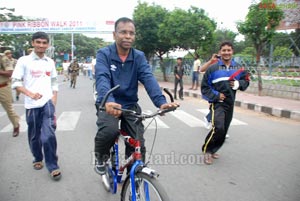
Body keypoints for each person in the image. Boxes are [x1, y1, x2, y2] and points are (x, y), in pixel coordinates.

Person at [93, 17, 179, 183]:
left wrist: (161, 102)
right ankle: (101, 158)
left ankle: (135, 176)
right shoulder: (104, 54)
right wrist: (109, 100)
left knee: (138, 143)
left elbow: (148, 78)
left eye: (131, 33)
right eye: (123, 32)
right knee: (109, 132)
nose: (128, 36)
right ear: (114, 35)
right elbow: (102, 78)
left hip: (130, 105)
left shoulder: (138, 56)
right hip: (108, 104)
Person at [11, 31, 61, 180]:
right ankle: (37, 157)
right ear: (32, 43)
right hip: (31, 106)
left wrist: (53, 102)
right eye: (38, 42)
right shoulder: (23, 61)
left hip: (47, 104)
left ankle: (53, 165)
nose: (41, 45)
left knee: (49, 136)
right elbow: (16, 82)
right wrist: (30, 93)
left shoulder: (50, 62)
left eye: (44, 43)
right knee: (34, 136)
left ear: (48, 45)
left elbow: (54, 83)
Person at [201, 41, 250, 165]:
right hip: (217, 103)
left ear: (232, 51)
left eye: (229, 50)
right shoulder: (213, 68)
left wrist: (239, 84)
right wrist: (216, 95)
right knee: (218, 127)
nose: (226, 52)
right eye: (224, 50)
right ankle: (207, 151)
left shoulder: (239, 68)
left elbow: (246, 81)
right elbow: (205, 87)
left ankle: (214, 149)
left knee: (224, 130)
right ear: (220, 52)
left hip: (230, 103)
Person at [0, 50, 20, 137]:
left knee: (9, 109)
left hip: (3, 87)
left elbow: (10, 73)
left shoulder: (3, 58)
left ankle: (16, 125)